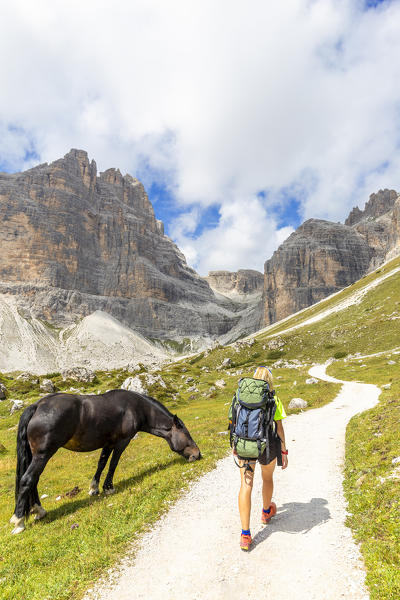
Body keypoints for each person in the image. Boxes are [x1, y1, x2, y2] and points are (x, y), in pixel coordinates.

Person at [234, 366, 288, 551]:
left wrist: (236, 446)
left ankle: (245, 535)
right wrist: (284, 451)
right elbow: (279, 428)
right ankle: (266, 512)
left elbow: (233, 422)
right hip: (267, 446)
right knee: (267, 478)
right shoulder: (274, 399)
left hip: (244, 445)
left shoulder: (240, 396)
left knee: (245, 485)